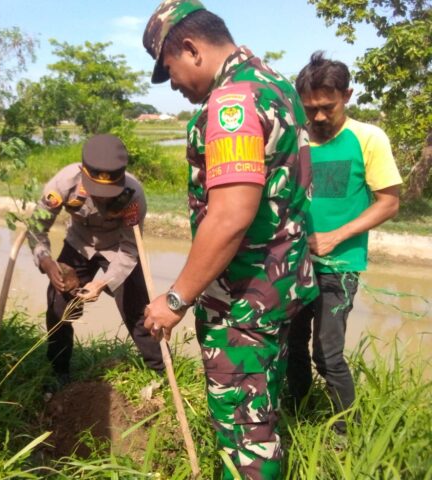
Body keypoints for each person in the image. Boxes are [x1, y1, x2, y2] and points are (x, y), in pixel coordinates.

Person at [142, 1, 318, 478]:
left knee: (245, 441)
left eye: (170, 71)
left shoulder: (231, 103)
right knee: (261, 418)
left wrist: (175, 298)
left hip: (243, 305)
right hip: (279, 293)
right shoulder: (277, 85)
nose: (174, 85)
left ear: (190, 48)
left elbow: (230, 217)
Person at [286, 52, 401, 432]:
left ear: (347, 95)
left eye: (327, 107)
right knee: (292, 346)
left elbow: (389, 202)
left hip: (340, 266)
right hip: (295, 263)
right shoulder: (296, 138)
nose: (318, 116)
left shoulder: (368, 138)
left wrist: (335, 236)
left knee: (327, 353)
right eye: (309, 107)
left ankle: (344, 433)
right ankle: (299, 414)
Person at [28, 134, 164, 388]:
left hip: (117, 250)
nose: (101, 198)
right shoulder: (63, 184)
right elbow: (36, 229)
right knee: (58, 308)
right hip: (78, 245)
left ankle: (160, 373)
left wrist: (101, 283)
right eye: (96, 191)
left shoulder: (133, 194)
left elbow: (130, 250)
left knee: (139, 312)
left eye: (108, 192)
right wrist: (46, 262)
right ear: (83, 172)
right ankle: (59, 371)